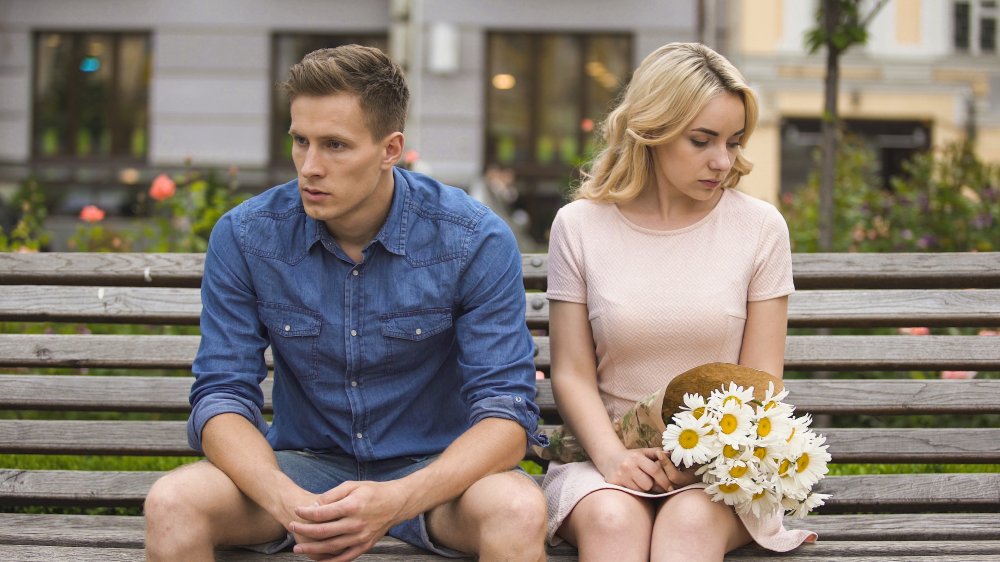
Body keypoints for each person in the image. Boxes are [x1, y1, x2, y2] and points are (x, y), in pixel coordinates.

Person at [144, 45, 547, 562]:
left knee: (517, 511)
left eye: (335, 145)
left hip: (437, 478)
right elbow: (221, 396)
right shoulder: (247, 236)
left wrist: (398, 499)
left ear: (390, 148)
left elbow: (507, 414)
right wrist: (286, 499)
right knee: (173, 503)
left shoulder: (472, 239)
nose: (310, 167)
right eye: (300, 141)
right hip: (301, 470)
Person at [541, 42, 818, 561]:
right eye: (702, 140)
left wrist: (705, 458)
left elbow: (763, 380)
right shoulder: (578, 228)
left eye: (733, 142)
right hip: (606, 457)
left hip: (725, 463)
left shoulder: (759, 229)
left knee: (688, 526)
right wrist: (612, 459)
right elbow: (572, 373)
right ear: (652, 130)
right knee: (612, 519)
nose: (723, 161)